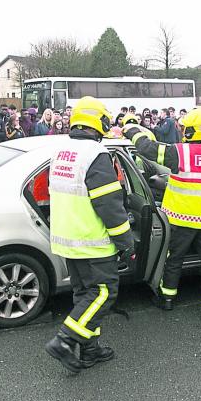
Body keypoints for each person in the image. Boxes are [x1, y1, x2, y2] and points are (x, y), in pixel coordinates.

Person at [44, 96, 134, 373]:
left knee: (84, 295)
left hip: (67, 238)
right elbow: (109, 204)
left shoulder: (61, 151)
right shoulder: (96, 155)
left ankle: (89, 350)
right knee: (103, 294)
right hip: (93, 241)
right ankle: (65, 340)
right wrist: (125, 241)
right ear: (99, 122)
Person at [124, 109, 201, 322]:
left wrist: (131, 129)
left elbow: (147, 148)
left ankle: (167, 299)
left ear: (191, 131)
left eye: (184, 128)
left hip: (183, 219)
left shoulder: (180, 153)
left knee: (174, 259)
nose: (182, 131)